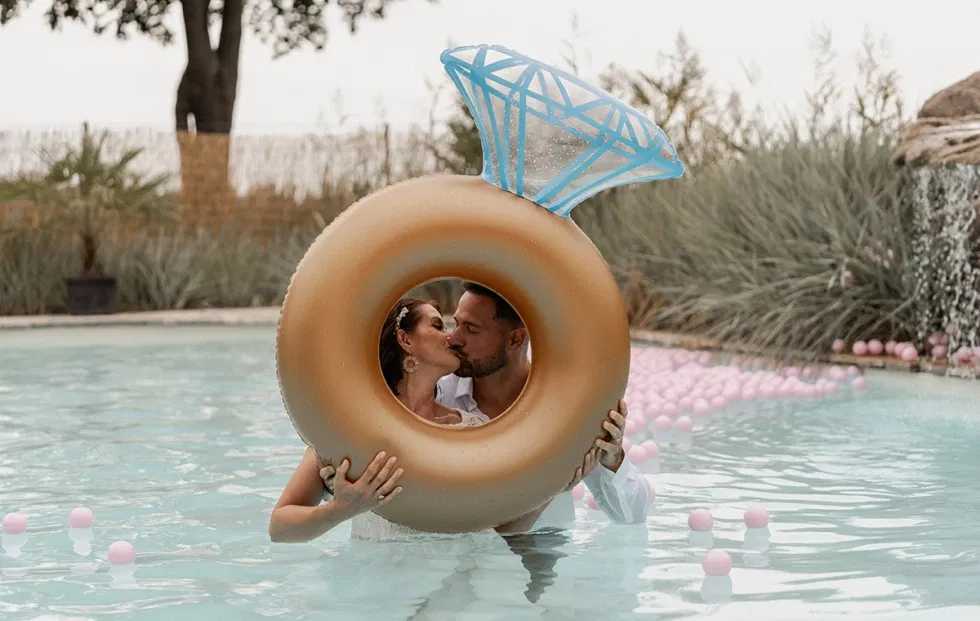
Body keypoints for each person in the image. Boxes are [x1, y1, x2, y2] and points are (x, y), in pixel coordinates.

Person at [269, 298, 582, 542]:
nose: (451, 337)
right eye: (437, 325)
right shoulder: (354, 425)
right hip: (379, 590)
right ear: (405, 340)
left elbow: (501, 532)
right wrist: (338, 511)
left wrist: (556, 487)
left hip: (462, 590)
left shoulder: (475, 428)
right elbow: (280, 526)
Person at [435, 281, 650, 529]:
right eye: (457, 323)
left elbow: (633, 517)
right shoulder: (441, 396)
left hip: (547, 547)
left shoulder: (565, 409)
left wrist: (614, 458)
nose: (454, 338)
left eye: (471, 329)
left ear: (515, 339)